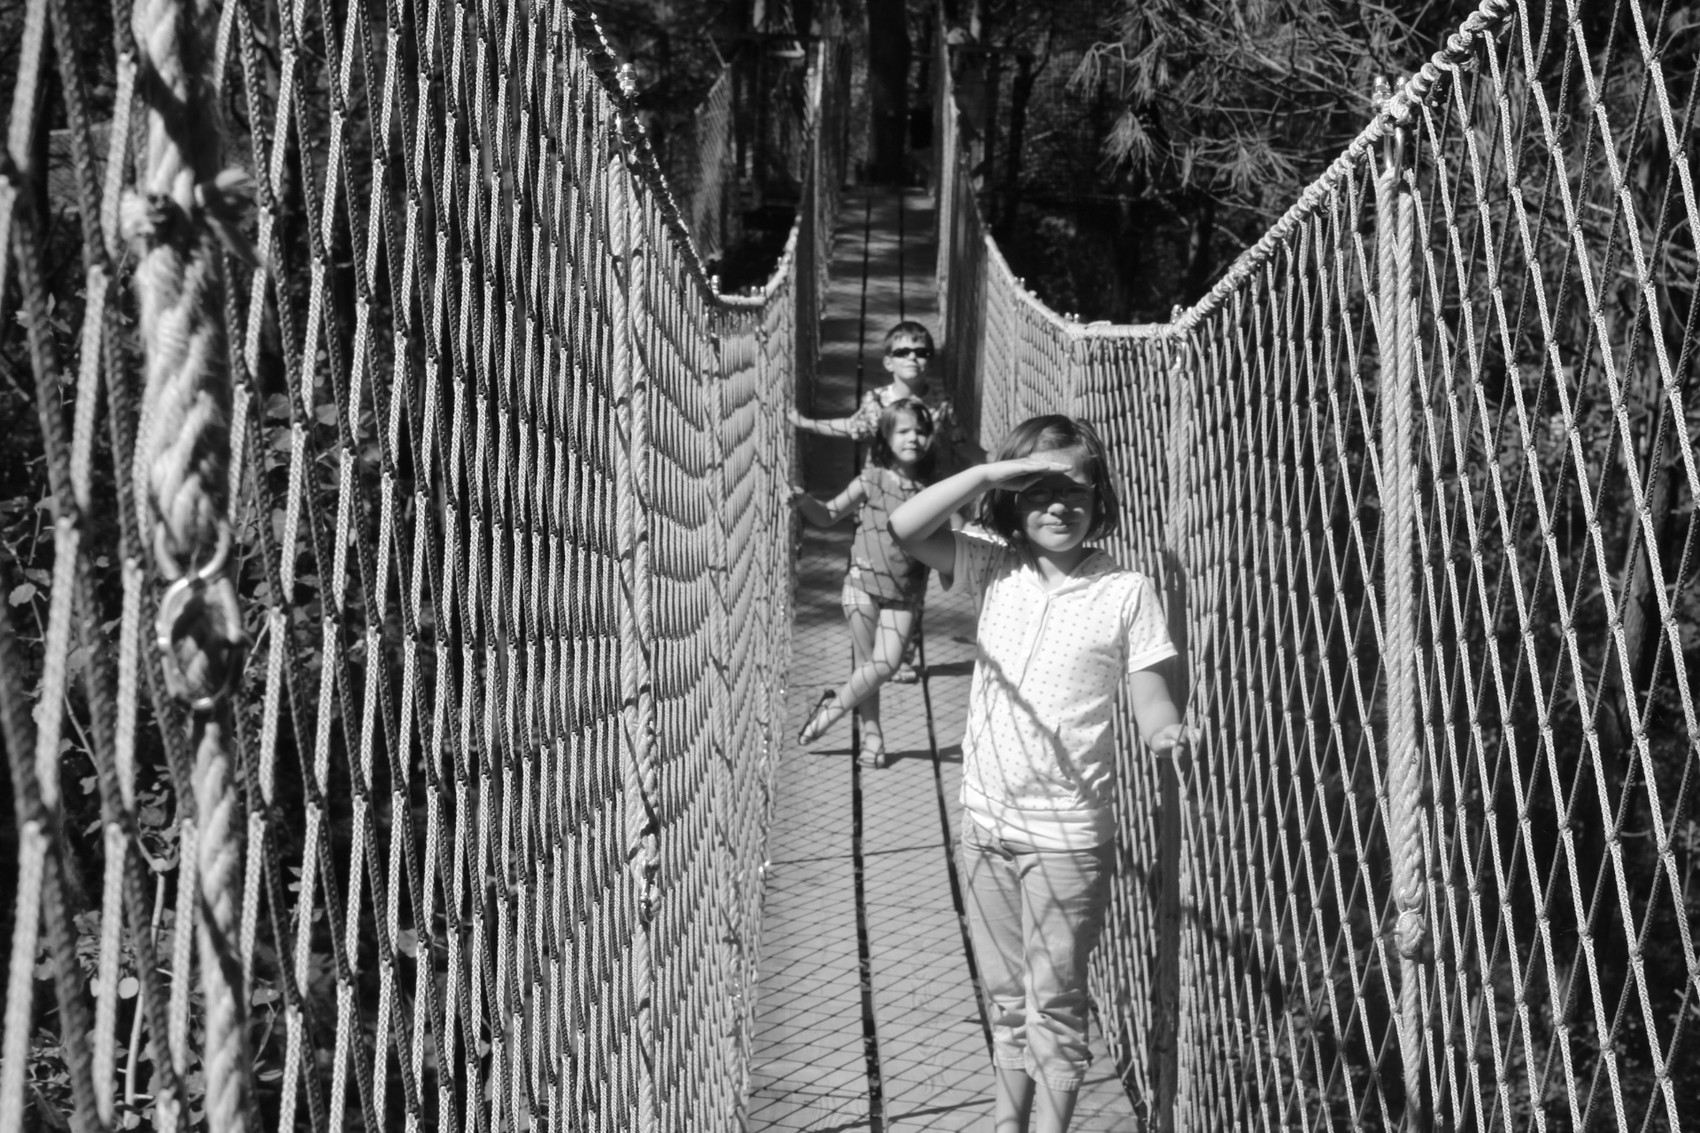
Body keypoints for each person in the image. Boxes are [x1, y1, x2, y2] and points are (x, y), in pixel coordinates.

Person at [888, 414, 1193, 1133]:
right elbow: (905, 527)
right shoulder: (995, 564)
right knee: (1006, 1000)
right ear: (1012, 498)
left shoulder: (1126, 591)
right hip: (985, 820)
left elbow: (1151, 694)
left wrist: (1166, 731)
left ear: (1100, 498)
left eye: (1074, 490)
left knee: (1053, 1003)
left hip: (1067, 836)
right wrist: (989, 473)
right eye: (1038, 490)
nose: (1058, 506)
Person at [791, 398, 939, 768]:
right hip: (862, 582)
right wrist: (803, 501)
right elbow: (827, 516)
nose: (913, 438)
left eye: (921, 431)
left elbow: (945, 535)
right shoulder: (870, 480)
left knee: (885, 664)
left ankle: (830, 711)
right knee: (868, 664)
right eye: (903, 431)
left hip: (904, 590)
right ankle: (873, 739)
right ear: (885, 437)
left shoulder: (933, 490)